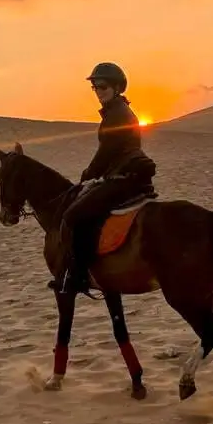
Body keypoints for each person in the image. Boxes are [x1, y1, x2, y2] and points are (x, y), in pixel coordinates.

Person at [57, 62, 157, 296]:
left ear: (116, 87)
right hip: (124, 175)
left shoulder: (116, 114)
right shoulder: (118, 111)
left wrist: (87, 175)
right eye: (95, 87)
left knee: (73, 215)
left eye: (102, 86)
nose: (98, 91)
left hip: (123, 179)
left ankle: (79, 275)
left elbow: (107, 152)